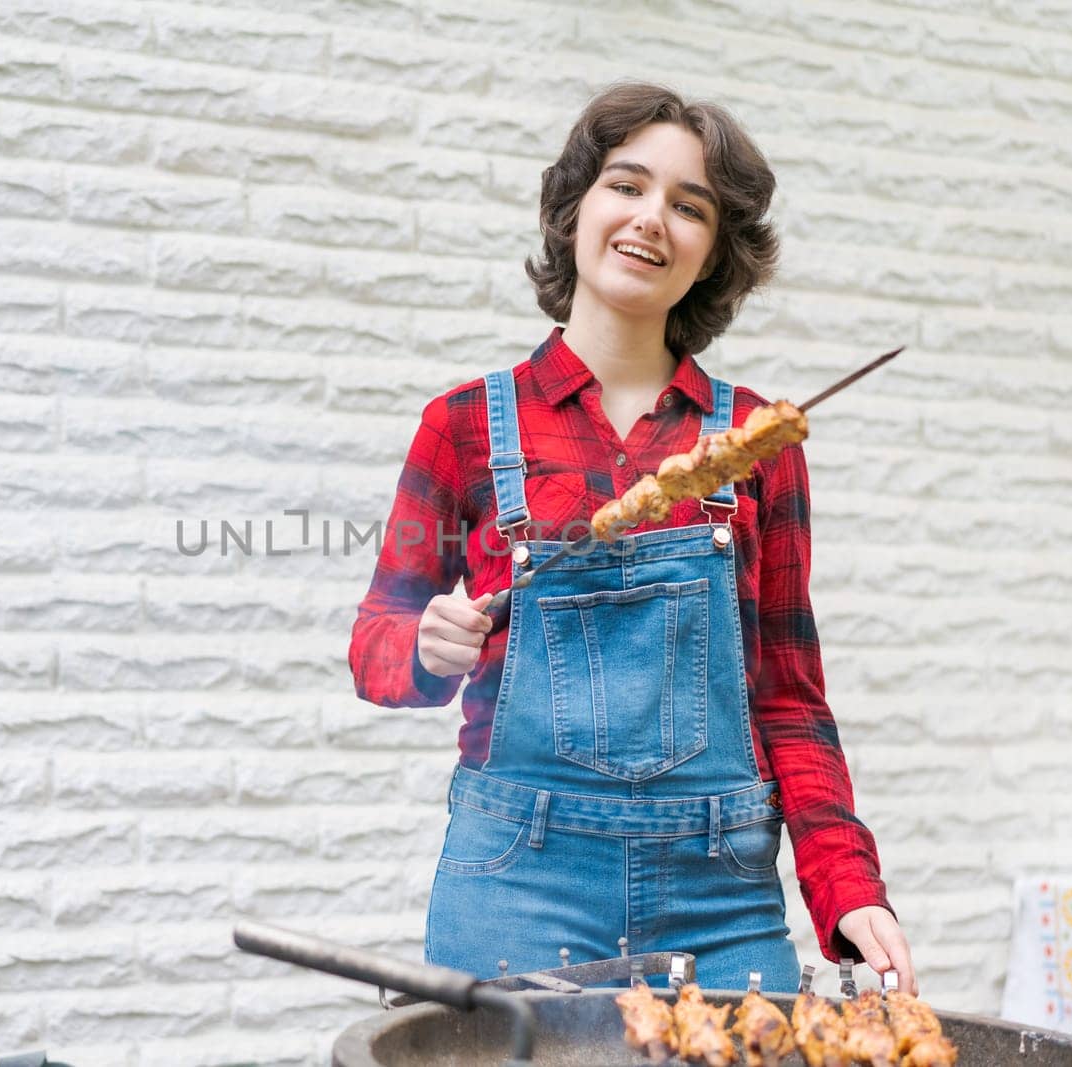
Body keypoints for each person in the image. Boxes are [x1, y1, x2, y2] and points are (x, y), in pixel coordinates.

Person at [347, 81, 915, 994]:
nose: (653, 218)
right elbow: (374, 645)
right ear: (576, 209)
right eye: (628, 185)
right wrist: (423, 644)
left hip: (722, 899)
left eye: (689, 207)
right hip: (514, 888)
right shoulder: (461, 427)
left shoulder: (759, 442)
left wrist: (847, 887)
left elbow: (790, 698)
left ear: (712, 255)